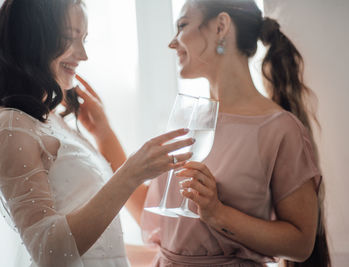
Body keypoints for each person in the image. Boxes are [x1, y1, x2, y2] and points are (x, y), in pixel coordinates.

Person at [0, 0, 194, 266]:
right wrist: (131, 174)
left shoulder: (51, 119)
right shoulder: (10, 126)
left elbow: (98, 246)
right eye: (69, 38)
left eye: (84, 39)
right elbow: (48, 251)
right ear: (31, 39)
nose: (83, 55)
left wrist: (171, 259)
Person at [137, 0, 332, 266]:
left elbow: (300, 244)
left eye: (182, 26)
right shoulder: (188, 119)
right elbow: (171, 222)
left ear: (220, 26)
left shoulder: (279, 128)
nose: (172, 43)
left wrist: (217, 213)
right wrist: (103, 136)